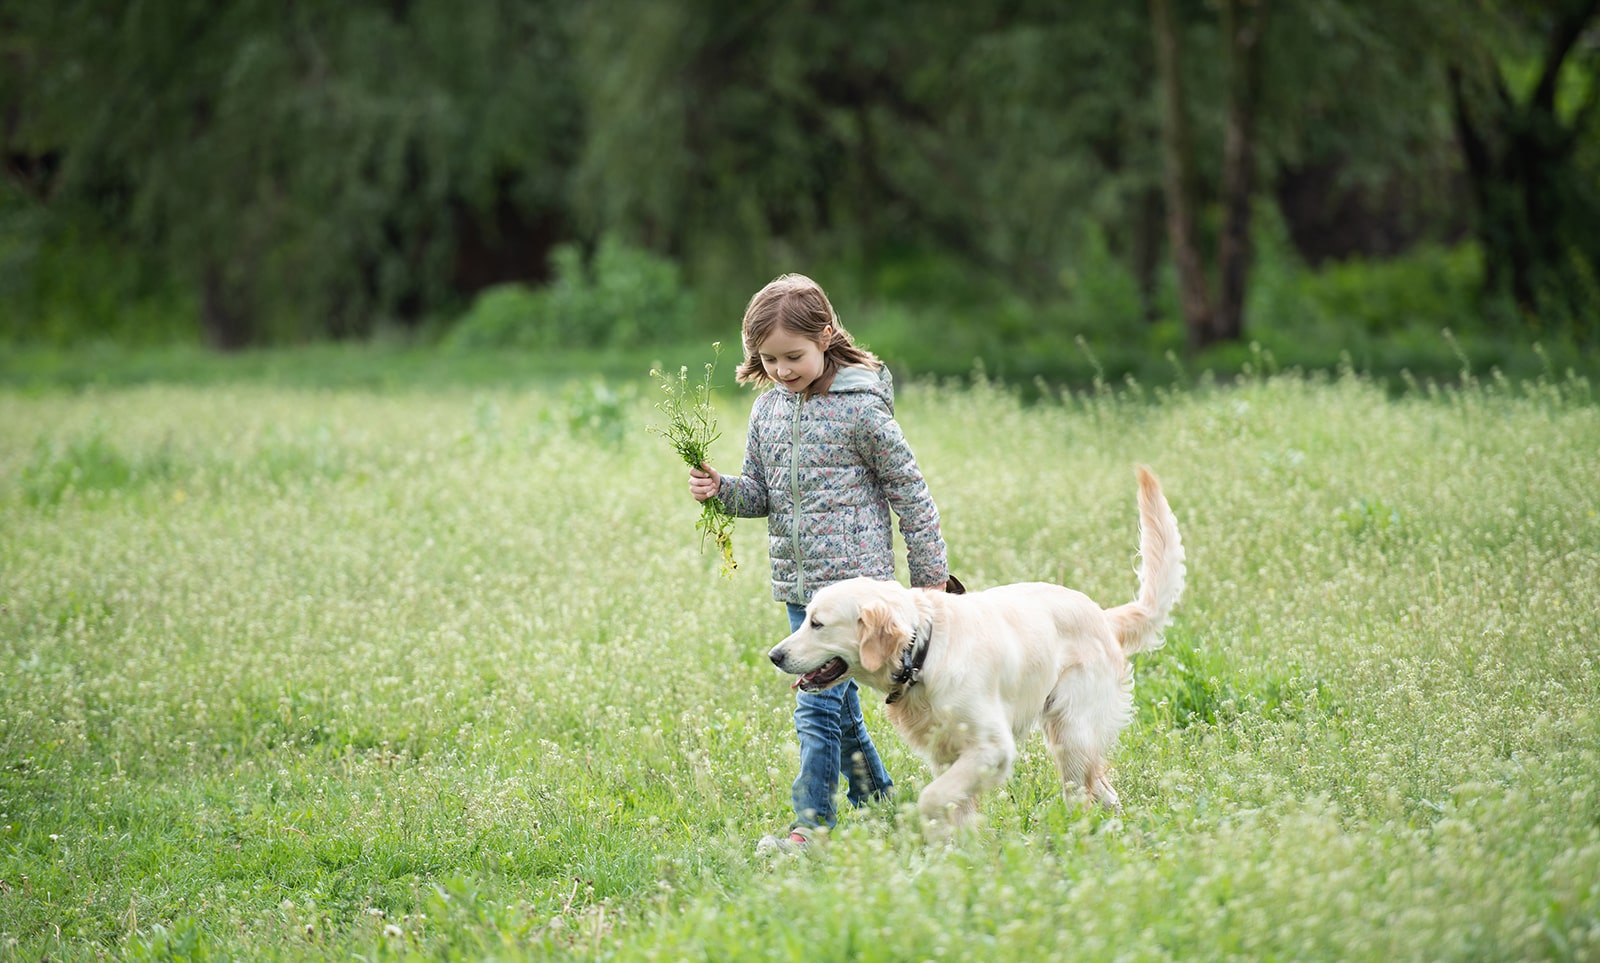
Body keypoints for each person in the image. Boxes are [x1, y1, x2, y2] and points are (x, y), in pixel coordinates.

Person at [688, 272, 949, 853]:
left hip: (857, 598)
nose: (782, 370)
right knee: (839, 707)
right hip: (801, 594)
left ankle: (810, 828)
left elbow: (912, 494)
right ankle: (883, 813)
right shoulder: (768, 413)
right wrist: (721, 490)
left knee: (815, 705)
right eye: (769, 359)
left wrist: (930, 580)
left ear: (826, 336)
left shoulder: (862, 412)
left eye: (793, 356)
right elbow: (762, 493)